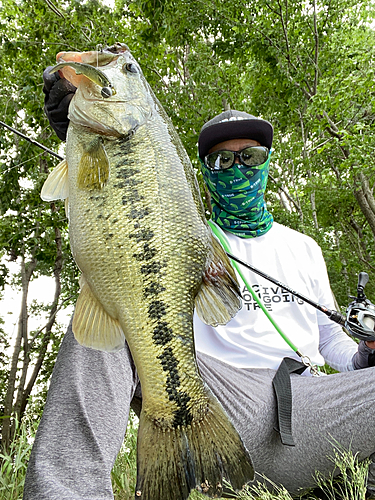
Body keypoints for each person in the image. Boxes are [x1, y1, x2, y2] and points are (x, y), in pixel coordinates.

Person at [23, 70, 375, 500]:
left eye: (251, 156)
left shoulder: (304, 248)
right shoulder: (176, 231)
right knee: (114, 314)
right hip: (220, 399)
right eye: (222, 160)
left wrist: (363, 354)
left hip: (314, 403)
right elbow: (112, 228)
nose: (238, 167)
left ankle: (342, 487)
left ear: (268, 161)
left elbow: (329, 343)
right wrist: (79, 139)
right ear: (202, 172)